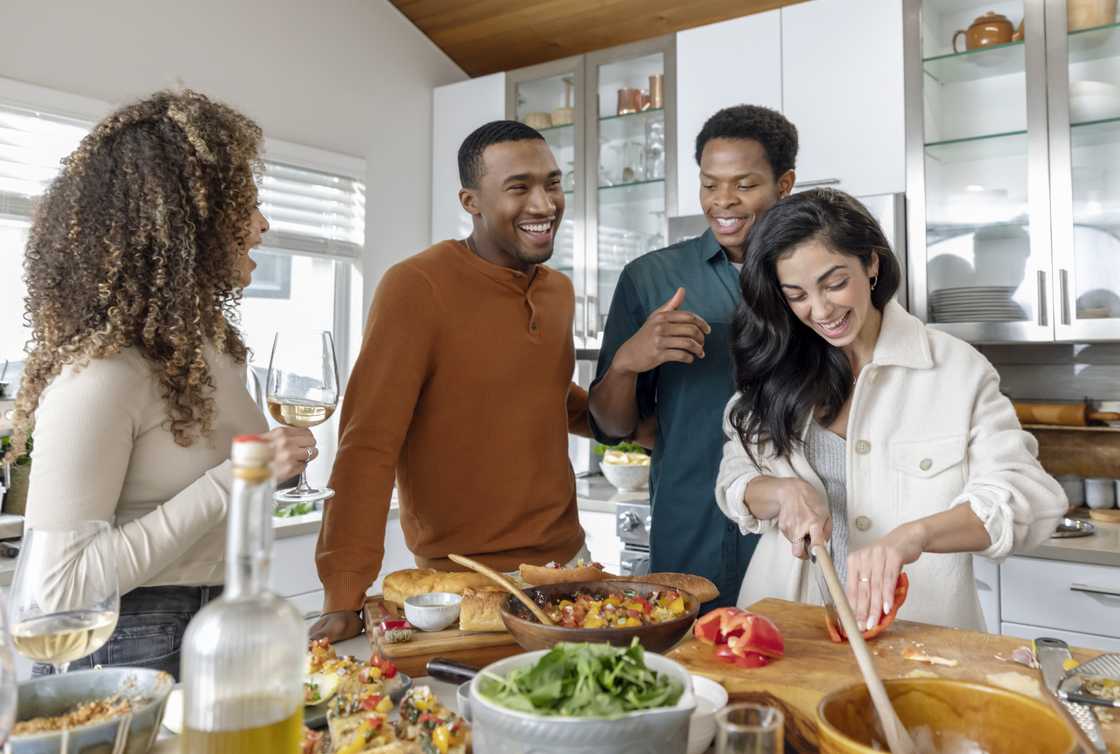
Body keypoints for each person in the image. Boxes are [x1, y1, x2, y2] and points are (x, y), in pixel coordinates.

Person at [12, 90, 317, 678]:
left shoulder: (202, 348)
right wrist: (237, 478)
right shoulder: (102, 376)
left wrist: (272, 474)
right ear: (185, 224)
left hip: (218, 618)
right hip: (129, 641)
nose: (262, 224)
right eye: (242, 206)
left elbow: (202, 498)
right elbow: (60, 587)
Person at [715, 189, 1066, 631]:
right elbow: (734, 481)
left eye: (835, 283)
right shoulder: (778, 369)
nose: (821, 310)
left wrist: (913, 537)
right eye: (797, 295)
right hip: (790, 632)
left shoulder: (955, 369)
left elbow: (1026, 500)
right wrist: (782, 492)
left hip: (922, 633)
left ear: (872, 262)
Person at [311, 121, 592, 641]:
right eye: (519, 187)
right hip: (461, 582)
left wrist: (638, 417)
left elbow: (546, 392)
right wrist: (343, 594)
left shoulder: (558, 291)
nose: (544, 203)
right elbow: (367, 442)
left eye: (552, 183)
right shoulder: (416, 287)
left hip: (568, 563)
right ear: (471, 200)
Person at [588, 105, 798, 606]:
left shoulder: (818, 276)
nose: (723, 201)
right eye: (709, 184)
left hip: (797, 528)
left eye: (745, 185)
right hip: (690, 527)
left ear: (784, 184)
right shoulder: (650, 278)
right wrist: (626, 361)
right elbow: (612, 425)